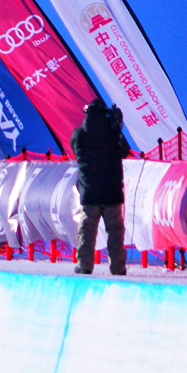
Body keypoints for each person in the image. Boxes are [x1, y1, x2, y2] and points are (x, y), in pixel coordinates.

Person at [71, 101, 128, 276]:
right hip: (112, 192)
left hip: (90, 192)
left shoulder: (79, 135)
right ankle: (117, 268)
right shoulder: (112, 135)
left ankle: (84, 265)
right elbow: (124, 152)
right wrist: (117, 128)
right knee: (115, 232)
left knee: (87, 231)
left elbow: (75, 148)